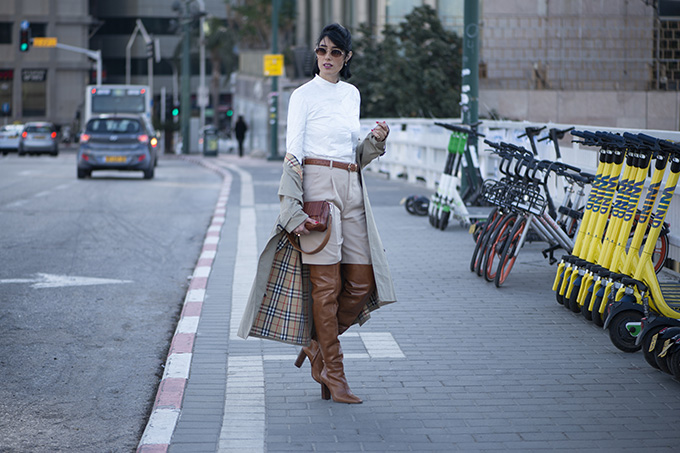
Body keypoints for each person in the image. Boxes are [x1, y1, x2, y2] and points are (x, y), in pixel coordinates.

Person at [238, 23, 396, 404]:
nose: (327, 58)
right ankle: (335, 374)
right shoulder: (302, 96)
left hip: (351, 185)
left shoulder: (351, 94)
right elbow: (294, 154)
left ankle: (314, 347)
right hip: (317, 188)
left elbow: (348, 151)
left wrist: (374, 142)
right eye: (322, 50)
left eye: (335, 52)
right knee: (325, 288)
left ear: (347, 57)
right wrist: (290, 206)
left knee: (361, 280)